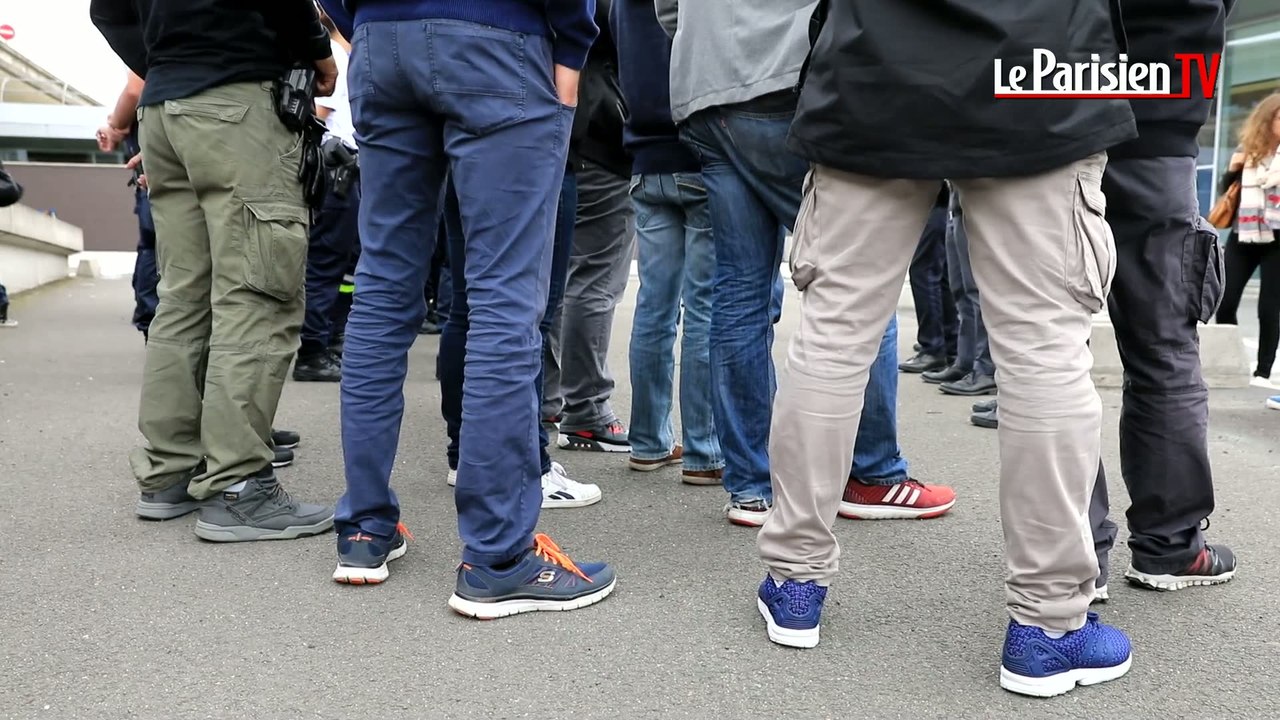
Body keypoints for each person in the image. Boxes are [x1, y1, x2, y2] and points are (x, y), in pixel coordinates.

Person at [752, 0, 1138, 697]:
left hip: (873, 69)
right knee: (1044, 354)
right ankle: (1048, 625)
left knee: (833, 336)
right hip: (1039, 66)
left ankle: (794, 580)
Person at [319, 0, 617, 615]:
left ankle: (364, 530)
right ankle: (498, 556)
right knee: (504, 298)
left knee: (381, 290)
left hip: (382, 42)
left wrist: (365, 24)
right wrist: (571, 51)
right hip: (497, 39)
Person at [660, 0, 956, 527]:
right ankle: (872, 472)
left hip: (703, 88)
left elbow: (668, 11)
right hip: (786, 76)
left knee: (739, 292)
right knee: (861, 275)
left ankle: (752, 487)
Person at [91, 0, 337, 541]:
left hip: (163, 113)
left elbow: (106, 11)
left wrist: (168, 66)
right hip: (237, 102)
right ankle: (239, 486)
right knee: (257, 294)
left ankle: (169, 472)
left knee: (183, 296)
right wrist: (320, 54)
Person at [1090, 0, 1238, 597]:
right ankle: (1171, 546)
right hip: (1159, 124)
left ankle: (1074, 556)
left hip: (1047, 114)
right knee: (1163, 350)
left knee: (1047, 353)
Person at [611, 0, 721, 484]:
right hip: (699, 155)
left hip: (645, 158)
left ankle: (648, 441)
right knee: (704, 309)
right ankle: (704, 449)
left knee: (654, 307)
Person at [546, 0, 637, 454]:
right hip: (598, 130)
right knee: (595, 279)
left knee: (554, 279)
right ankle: (586, 409)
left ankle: (546, 400)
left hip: (551, 129)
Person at [294, 8, 358, 383]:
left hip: (342, 170)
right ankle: (313, 350)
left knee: (339, 264)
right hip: (335, 169)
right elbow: (317, 114)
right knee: (325, 263)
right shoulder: (332, 55)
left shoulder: (342, 55)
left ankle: (328, 338)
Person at [1216, 92, 1280, 391]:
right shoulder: (1247, 152)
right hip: (1243, 233)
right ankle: (1229, 360)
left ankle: (1263, 372)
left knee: (1270, 306)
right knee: (1225, 299)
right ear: (1267, 120)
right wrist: (1233, 169)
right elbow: (1227, 191)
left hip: (1277, 237)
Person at [97, 71, 159, 342]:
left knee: (153, 247)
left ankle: (153, 326)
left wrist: (116, 124)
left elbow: (135, 89)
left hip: (156, 154)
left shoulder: (151, 43)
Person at [925, 192, 997, 397]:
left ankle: (985, 369)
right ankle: (966, 361)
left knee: (976, 291)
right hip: (956, 205)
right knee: (960, 290)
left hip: (975, 203)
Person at [900, 186, 956, 374]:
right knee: (940, 273)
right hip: (942, 196)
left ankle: (933, 346)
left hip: (933, 193)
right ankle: (948, 342)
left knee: (924, 270)